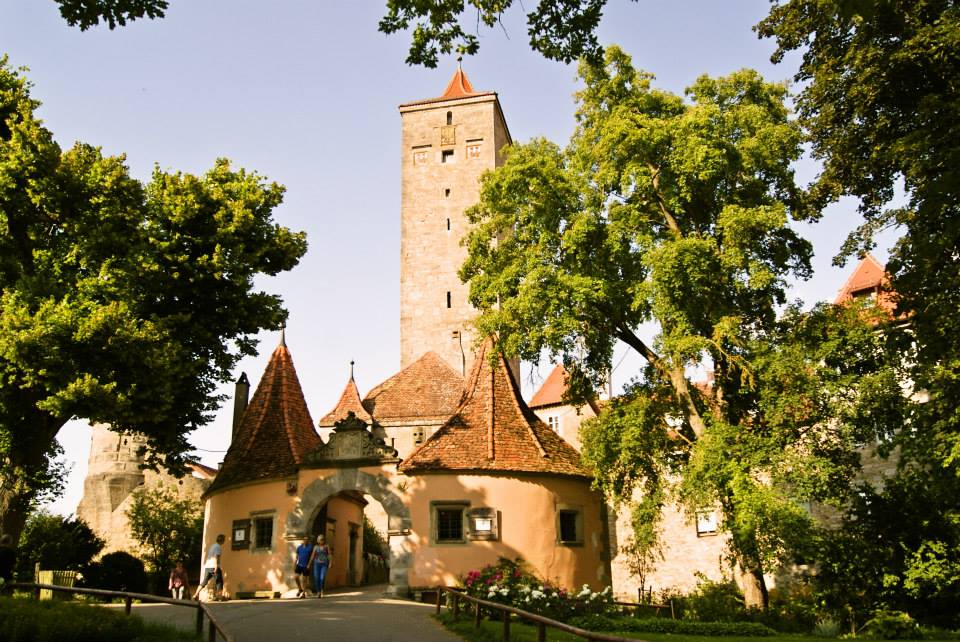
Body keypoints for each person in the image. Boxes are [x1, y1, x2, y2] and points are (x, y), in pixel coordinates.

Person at [193, 534, 225, 601]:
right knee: (219, 582)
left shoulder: (212, 546)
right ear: (222, 540)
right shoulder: (218, 547)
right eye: (224, 540)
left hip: (207, 566)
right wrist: (216, 566)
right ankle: (220, 597)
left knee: (204, 581)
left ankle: (195, 594)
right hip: (214, 566)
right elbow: (216, 556)